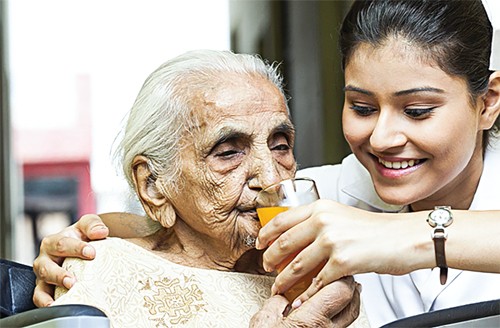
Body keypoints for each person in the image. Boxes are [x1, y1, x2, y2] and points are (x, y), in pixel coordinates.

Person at [32, 0, 500, 327]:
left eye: (417, 111)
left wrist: (408, 237)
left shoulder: (338, 216)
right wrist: (88, 241)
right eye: (361, 107)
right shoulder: (317, 196)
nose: (382, 137)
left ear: (488, 102)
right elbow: (193, 226)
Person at [42, 50, 364, 327]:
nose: (271, 179)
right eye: (228, 152)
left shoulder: (315, 262)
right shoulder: (106, 273)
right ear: (153, 185)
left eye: (280, 145)